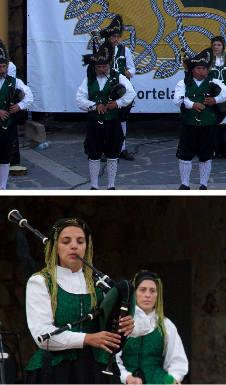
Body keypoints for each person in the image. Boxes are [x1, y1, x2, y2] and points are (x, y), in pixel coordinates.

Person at [24, 218, 144, 383]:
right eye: (66, 241)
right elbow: (42, 335)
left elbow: (143, 323)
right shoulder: (41, 282)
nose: (74, 246)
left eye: (80, 241)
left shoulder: (101, 284)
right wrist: (88, 339)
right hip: (55, 371)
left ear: (87, 247)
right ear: (55, 247)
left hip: (98, 372)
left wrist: (130, 325)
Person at [76, 40, 136, 190]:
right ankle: (94, 186)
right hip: (94, 123)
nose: (102, 69)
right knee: (94, 155)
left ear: (109, 65)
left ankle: (111, 186)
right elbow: (79, 99)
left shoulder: (118, 77)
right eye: (99, 67)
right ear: (94, 67)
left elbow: (131, 93)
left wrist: (117, 104)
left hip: (112, 122)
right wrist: (94, 106)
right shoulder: (88, 80)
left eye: (104, 66)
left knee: (113, 155)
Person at [173, 48, 226, 190]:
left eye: (204, 68)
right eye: (198, 68)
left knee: (206, 156)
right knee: (185, 155)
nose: (202, 71)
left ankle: (203, 185)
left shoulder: (214, 81)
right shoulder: (183, 83)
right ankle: (185, 184)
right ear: (192, 70)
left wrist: (215, 100)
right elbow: (177, 100)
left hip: (208, 125)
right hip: (189, 124)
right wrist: (192, 104)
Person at [117, 270, 188, 384]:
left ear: (157, 295)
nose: (148, 295)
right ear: (134, 293)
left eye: (152, 291)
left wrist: (173, 378)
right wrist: (127, 377)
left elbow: (177, 360)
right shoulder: (123, 322)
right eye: (142, 290)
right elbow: (113, 359)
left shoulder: (166, 325)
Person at [101, 14, 137, 161]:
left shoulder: (124, 50)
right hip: (106, 88)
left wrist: (130, 72)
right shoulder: (102, 50)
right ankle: (104, 149)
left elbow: (132, 68)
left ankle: (122, 148)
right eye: (113, 36)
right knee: (105, 119)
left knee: (122, 119)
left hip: (121, 88)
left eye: (118, 36)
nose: (115, 39)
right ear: (108, 37)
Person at [0, 39, 33, 190]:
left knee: (5, 156)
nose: (2, 69)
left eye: (4, 66)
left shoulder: (14, 82)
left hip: (8, 125)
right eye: (0, 66)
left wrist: (19, 106)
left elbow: (29, 96)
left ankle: (3, 187)